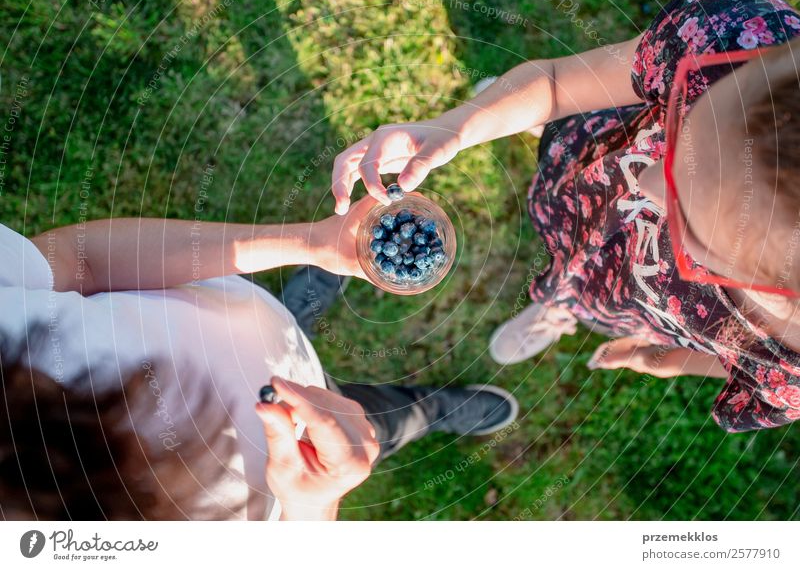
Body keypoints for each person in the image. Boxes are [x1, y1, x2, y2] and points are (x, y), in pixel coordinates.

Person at [330, 0, 800, 432]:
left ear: (776, 296)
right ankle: (523, 124)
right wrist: (457, 126)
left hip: (634, 300)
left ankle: (558, 306)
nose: (646, 179)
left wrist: (658, 359)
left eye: (685, 209)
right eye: (683, 124)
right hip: (585, 173)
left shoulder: (791, 378)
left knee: (586, 296)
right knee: (561, 157)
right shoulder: (731, 47)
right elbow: (555, 84)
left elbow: (737, 367)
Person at [0, 198, 518, 520]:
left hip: (254, 325)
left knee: (288, 324)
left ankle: (305, 296)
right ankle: (429, 410)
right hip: (306, 447)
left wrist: (309, 241)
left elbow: (80, 262)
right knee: (382, 418)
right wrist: (313, 501)